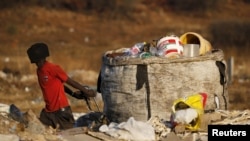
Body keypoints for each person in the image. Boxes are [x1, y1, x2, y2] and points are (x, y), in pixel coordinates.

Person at [26, 42, 97, 130]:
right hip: (48, 112)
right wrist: (73, 94)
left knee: (70, 134)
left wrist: (86, 91)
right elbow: (58, 85)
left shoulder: (53, 68)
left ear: (44, 58)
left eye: (40, 61)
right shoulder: (39, 71)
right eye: (36, 62)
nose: (38, 63)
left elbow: (70, 81)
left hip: (61, 110)